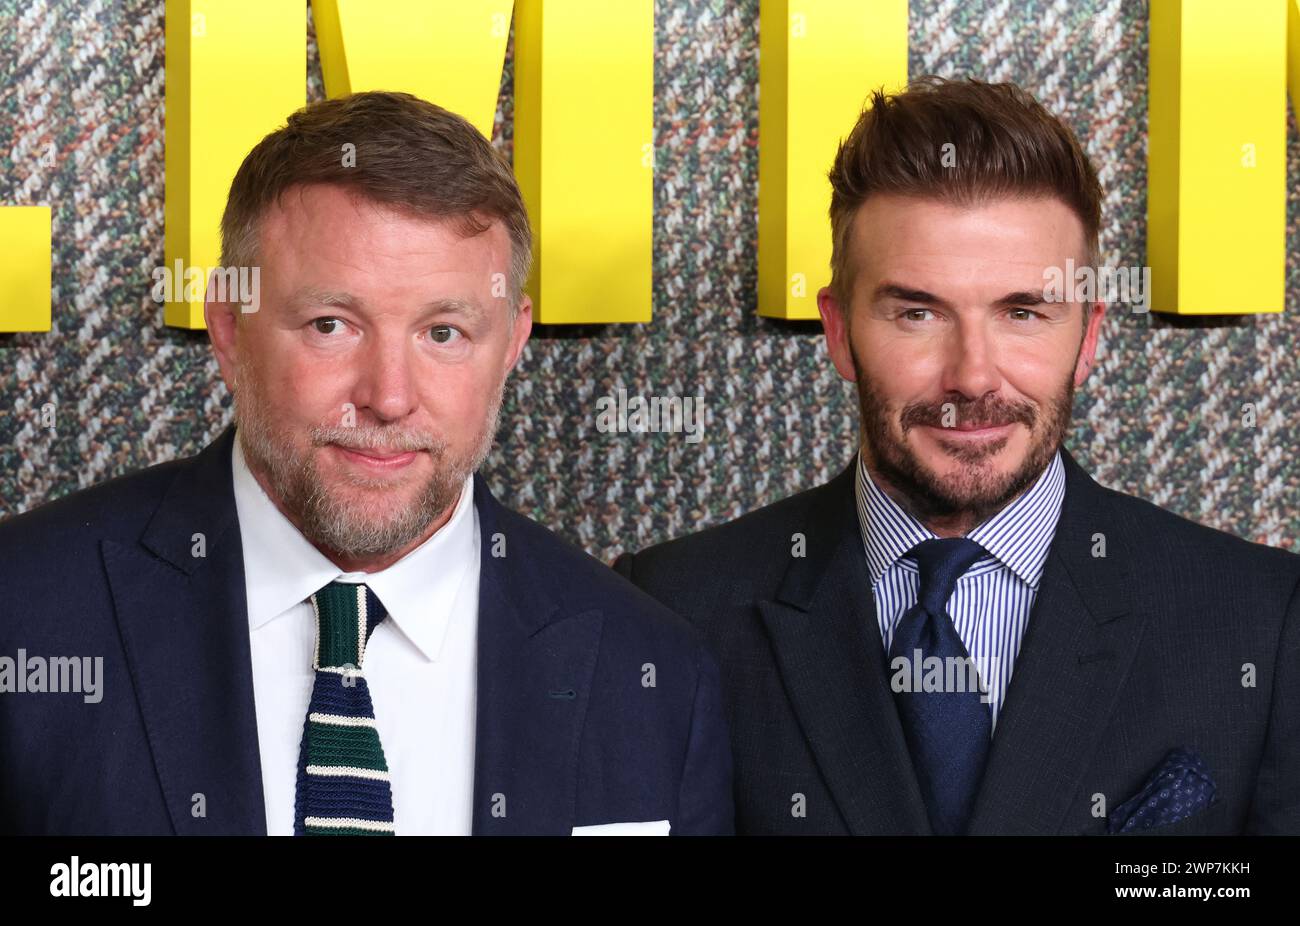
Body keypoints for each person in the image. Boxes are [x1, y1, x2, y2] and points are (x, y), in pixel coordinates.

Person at [0, 91, 732, 836]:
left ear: (512, 342)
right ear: (227, 326)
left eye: (443, 333)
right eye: (331, 325)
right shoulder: (24, 617)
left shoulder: (653, 674)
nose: (387, 397)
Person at [615, 76, 1299, 835]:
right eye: (917, 312)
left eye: (1023, 312)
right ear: (840, 333)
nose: (972, 375)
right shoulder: (671, 610)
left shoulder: (1260, 624)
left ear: (1089, 335)